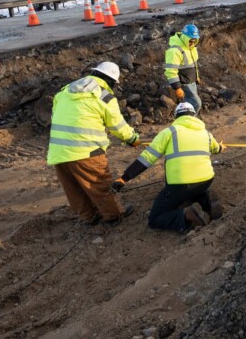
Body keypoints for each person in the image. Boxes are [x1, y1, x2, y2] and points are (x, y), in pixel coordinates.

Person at [47, 61, 141, 224]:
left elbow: (58, 113)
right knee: (99, 183)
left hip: (58, 151)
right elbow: (117, 125)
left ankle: (89, 217)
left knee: (73, 188)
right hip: (86, 150)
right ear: (111, 81)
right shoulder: (104, 94)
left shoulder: (65, 90)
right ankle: (114, 214)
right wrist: (132, 138)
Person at [111, 102, 225, 233]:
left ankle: (187, 215)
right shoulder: (206, 133)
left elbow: (146, 159)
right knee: (192, 190)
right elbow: (217, 149)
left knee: (156, 218)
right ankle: (205, 200)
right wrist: (221, 147)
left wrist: (124, 178)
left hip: (180, 184)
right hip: (206, 180)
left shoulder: (169, 132)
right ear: (194, 115)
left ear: (176, 117)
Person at [164, 24, 202, 115]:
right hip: (184, 84)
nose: (192, 43)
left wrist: (197, 76)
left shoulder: (191, 49)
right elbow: (171, 71)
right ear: (185, 37)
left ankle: (188, 123)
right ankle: (185, 121)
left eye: (194, 41)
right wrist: (177, 87)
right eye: (191, 40)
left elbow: (194, 64)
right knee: (196, 103)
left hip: (192, 82)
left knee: (189, 105)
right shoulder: (174, 51)